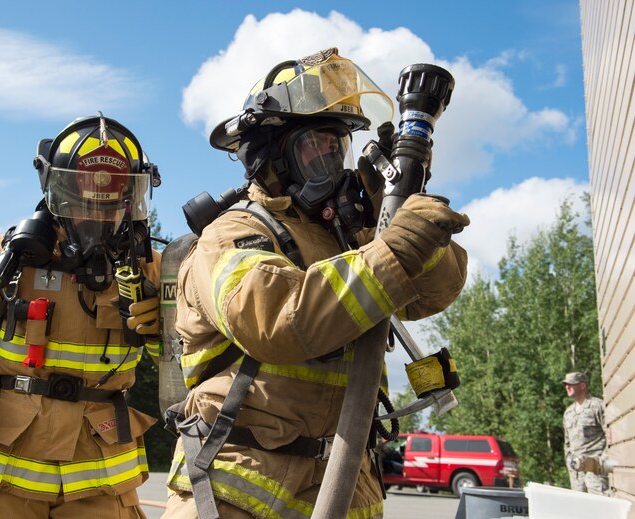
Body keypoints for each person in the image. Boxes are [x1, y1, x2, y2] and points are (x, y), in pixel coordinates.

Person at [163, 48, 469, 518]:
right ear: (274, 156)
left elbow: (436, 293)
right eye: (315, 147)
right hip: (238, 486)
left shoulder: (353, 239)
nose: (332, 159)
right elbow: (277, 321)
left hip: (345, 484)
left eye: (337, 146)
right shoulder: (234, 233)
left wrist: (402, 212)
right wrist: (394, 248)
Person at [0, 114, 162, 518]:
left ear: (129, 200)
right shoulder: (10, 256)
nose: (98, 218)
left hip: (103, 489)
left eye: (111, 205)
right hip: (1, 483)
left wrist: (163, 338)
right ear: (60, 195)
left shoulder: (152, 269)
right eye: (84, 205)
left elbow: (195, 357)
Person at [562, 371, 608, 495]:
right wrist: (570, 462)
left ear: (583, 386)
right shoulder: (568, 413)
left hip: (595, 472)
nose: (567, 387)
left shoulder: (597, 406)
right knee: (581, 510)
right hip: (577, 474)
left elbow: (610, 437)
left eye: (571, 384)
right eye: (566, 385)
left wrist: (601, 463)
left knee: (600, 508)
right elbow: (567, 443)